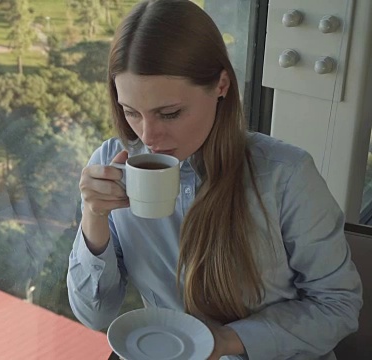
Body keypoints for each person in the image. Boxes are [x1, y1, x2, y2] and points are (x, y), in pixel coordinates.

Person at [66, 1, 362, 359]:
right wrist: (92, 218)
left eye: (170, 113)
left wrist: (227, 341)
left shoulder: (286, 176)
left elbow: (337, 306)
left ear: (221, 84)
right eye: (131, 113)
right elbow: (93, 314)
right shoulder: (113, 165)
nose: (149, 136)